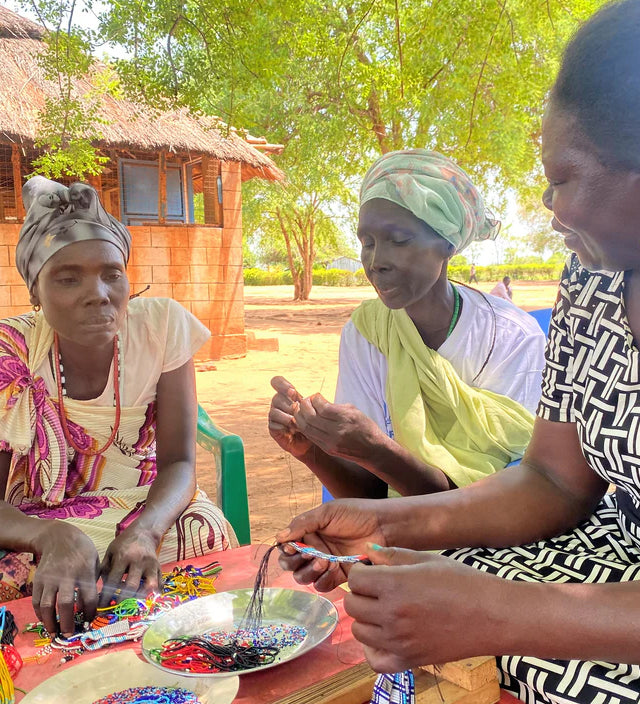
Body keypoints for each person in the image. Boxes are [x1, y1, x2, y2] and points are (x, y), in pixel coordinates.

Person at [277, 1, 640, 701]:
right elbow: (554, 483)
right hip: (614, 549)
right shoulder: (592, 287)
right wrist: (385, 521)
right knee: (402, 588)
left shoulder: (506, 331)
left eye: (562, 178)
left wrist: (500, 613)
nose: (551, 209)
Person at [0, 176, 236, 636]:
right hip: (37, 515)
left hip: (142, 499)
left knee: (203, 532)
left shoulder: (160, 328)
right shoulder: (12, 351)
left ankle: (187, 659)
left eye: (112, 273)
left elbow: (180, 461)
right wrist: (48, 536)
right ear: (34, 291)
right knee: (15, 576)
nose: (99, 293)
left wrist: (146, 530)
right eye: (68, 278)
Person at [269, 150, 545, 499]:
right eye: (366, 243)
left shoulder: (510, 338)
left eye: (398, 241)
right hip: (398, 535)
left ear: (446, 244)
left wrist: (378, 450)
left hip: (499, 541)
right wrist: (310, 450)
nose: (375, 261)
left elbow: (509, 501)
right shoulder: (368, 333)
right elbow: (368, 495)